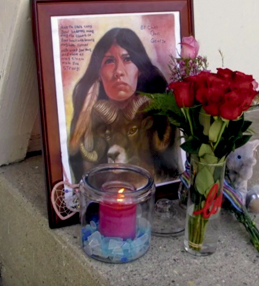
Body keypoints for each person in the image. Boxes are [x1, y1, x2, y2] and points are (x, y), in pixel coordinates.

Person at [67, 27, 179, 183]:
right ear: (98, 73)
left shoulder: (158, 115)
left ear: (139, 69)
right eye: (109, 61)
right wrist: (83, 119)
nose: (119, 71)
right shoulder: (91, 117)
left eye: (127, 59)